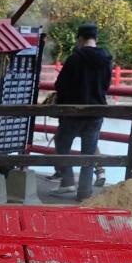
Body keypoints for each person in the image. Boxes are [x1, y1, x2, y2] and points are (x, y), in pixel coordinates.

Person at [51, 22, 113, 201]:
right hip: (96, 112)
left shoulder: (74, 59)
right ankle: (84, 192)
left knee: (62, 143)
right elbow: (106, 85)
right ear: (96, 38)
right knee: (89, 152)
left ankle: (67, 181)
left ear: (80, 38)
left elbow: (60, 85)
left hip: (74, 111)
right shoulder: (106, 59)